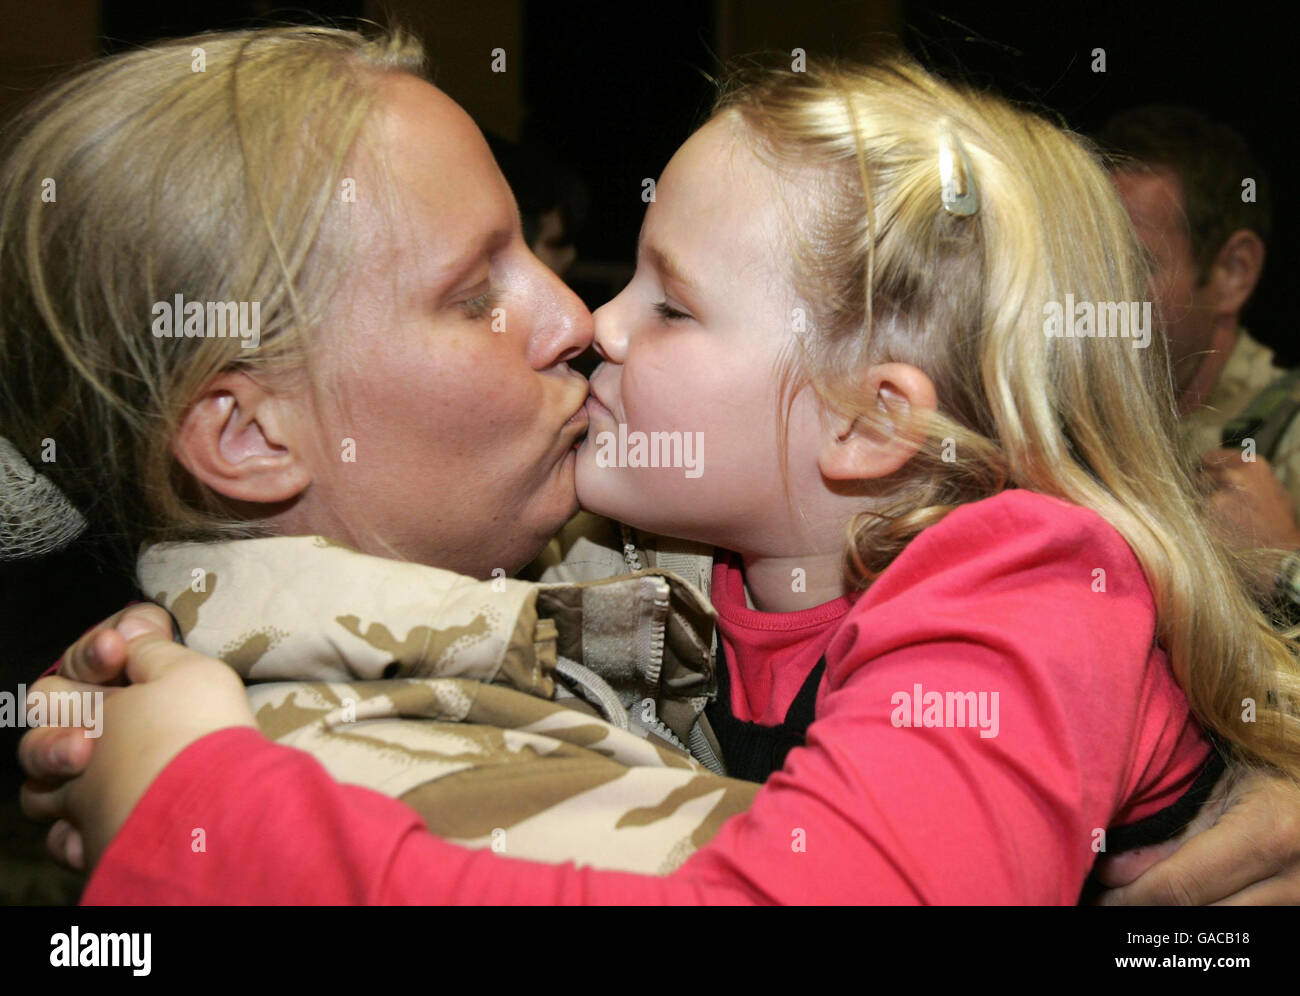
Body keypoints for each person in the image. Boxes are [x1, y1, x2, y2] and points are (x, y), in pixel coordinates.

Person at [18, 45, 1300, 903]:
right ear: (245, 435)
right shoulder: (680, 574)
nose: (587, 325)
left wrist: (213, 825)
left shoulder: (999, 574)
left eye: (668, 306)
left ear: (868, 423)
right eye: (474, 294)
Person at [1099, 108, 1300, 562]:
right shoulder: (1074, 410)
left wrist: (1285, 564)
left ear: (1234, 272)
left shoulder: (1287, 436)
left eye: (1134, 265)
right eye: (1090, 261)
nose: (1096, 296)